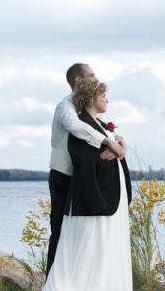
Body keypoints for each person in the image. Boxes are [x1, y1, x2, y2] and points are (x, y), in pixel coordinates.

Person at [43, 77, 133, 291]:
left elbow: (109, 143)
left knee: (108, 245)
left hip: (111, 196)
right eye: (103, 96)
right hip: (96, 197)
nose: (107, 101)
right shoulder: (77, 120)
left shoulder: (99, 124)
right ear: (91, 98)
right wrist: (110, 145)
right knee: (88, 243)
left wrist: (118, 143)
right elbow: (84, 159)